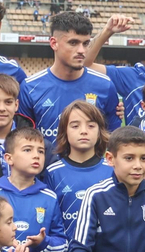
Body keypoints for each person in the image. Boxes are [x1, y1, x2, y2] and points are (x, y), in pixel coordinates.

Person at [43, 101, 113, 252]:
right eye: (75, 125)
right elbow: (52, 226)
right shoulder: (53, 173)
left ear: (101, 132)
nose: (83, 131)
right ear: (64, 131)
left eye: (91, 125)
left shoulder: (112, 170)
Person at [20, 11, 120, 151]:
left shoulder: (105, 85)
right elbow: (23, 141)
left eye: (85, 44)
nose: (81, 50)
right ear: (54, 43)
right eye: (73, 43)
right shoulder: (30, 87)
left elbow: (114, 140)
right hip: (45, 171)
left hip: (89, 171)